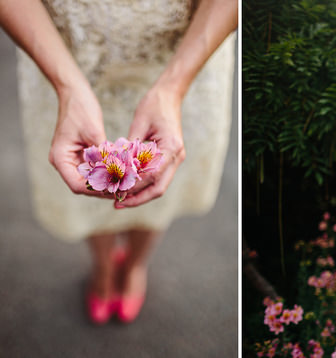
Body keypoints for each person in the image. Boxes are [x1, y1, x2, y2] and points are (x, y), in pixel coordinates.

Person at [0, 0, 237, 324]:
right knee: (91, 195)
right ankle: (104, 264)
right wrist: (67, 87)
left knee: (157, 186)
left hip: (183, 55)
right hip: (63, 53)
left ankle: (136, 263)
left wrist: (173, 88)